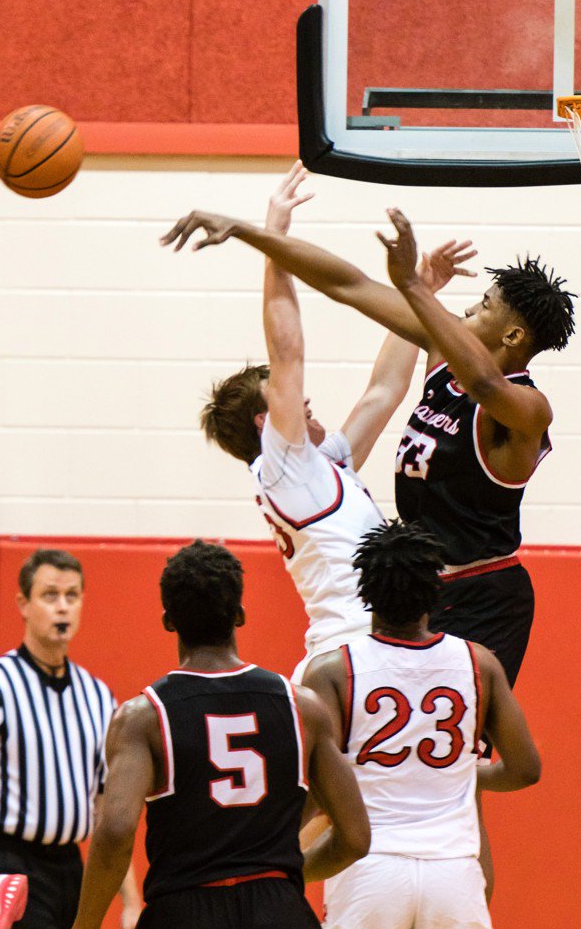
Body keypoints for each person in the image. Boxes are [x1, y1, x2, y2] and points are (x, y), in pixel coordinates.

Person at [160, 205, 574, 693]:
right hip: (413, 592)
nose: (466, 311)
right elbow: (348, 285)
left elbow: (482, 382)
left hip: (482, 592)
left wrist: (417, 288)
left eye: (482, 306)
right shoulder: (441, 358)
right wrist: (252, 233)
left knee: (452, 752)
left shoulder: (528, 410)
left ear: (512, 335)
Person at [191, 165, 476, 680]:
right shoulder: (280, 464)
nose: (302, 401)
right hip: (348, 650)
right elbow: (288, 350)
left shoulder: (316, 466)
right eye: (283, 397)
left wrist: (422, 298)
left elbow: (384, 391)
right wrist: (272, 238)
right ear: (265, 421)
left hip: (371, 645)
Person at [70, 540, 371, 929]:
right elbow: (355, 837)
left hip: (183, 915)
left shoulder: (142, 718)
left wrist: (85, 928)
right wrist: (285, 875)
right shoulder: (303, 707)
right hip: (280, 914)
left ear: (168, 620)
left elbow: (116, 829)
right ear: (240, 615)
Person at [302, 519, 541, 929]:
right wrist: (455, 771)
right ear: (436, 590)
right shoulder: (479, 662)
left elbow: (313, 783)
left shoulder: (332, 670)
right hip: (453, 872)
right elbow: (524, 770)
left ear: (366, 593)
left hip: (368, 870)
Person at [0, 549, 142, 929]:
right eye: (50, 595)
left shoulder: (98, 697)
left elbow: (110, 810)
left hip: (71, 868)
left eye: (72, 596)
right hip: (7, 863)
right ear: (23, 604)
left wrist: (131, 903)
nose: (62, 608)